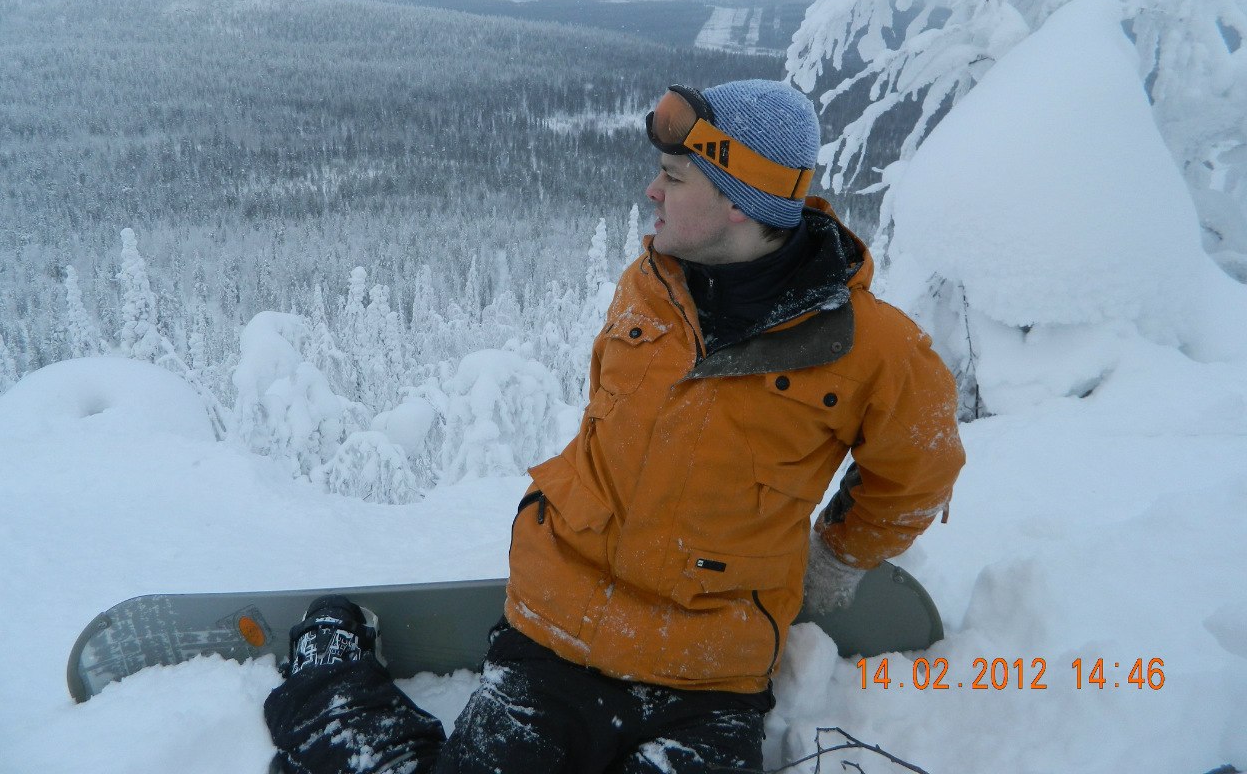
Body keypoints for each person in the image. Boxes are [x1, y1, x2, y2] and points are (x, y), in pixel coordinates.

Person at [263, 79, 966, 773]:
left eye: (673, 177)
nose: (652, 191)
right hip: (557, 636)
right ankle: (333, 680)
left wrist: (836, 557)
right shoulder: (649, 285)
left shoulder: (875, 349)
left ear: (738, 202)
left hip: (710, 675)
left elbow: (920, 471)